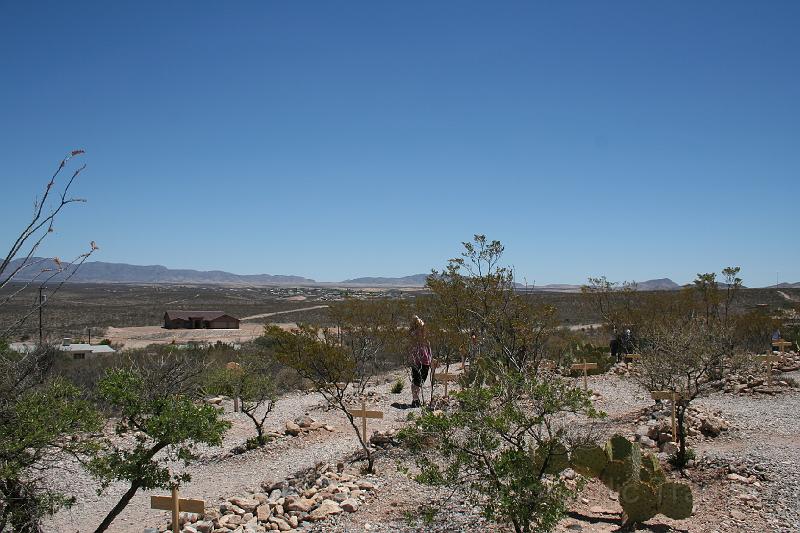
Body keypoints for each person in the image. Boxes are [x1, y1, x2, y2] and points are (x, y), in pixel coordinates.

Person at [409, 315, 432, 408]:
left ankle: (416, 398)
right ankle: (415, 399)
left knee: (421, 379)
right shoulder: (413, 335)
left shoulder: (425, 337)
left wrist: (430, 358)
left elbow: (428, 347)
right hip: (416, 360)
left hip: (425, 360)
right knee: (416, 379)